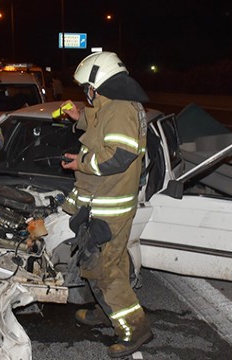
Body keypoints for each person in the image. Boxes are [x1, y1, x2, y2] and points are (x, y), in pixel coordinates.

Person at [59, 51, 152, 358]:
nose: (86, 93)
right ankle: (108, 310)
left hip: (109, 206)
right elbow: (100, 125)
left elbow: (118, 156)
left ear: (96, 84)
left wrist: (81, 163)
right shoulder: (112, 103)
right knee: (113, 263)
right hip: (107, 202)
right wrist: (79, 117)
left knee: (104, 270)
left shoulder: (121, 108)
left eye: (86, 87)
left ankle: (135, 329)